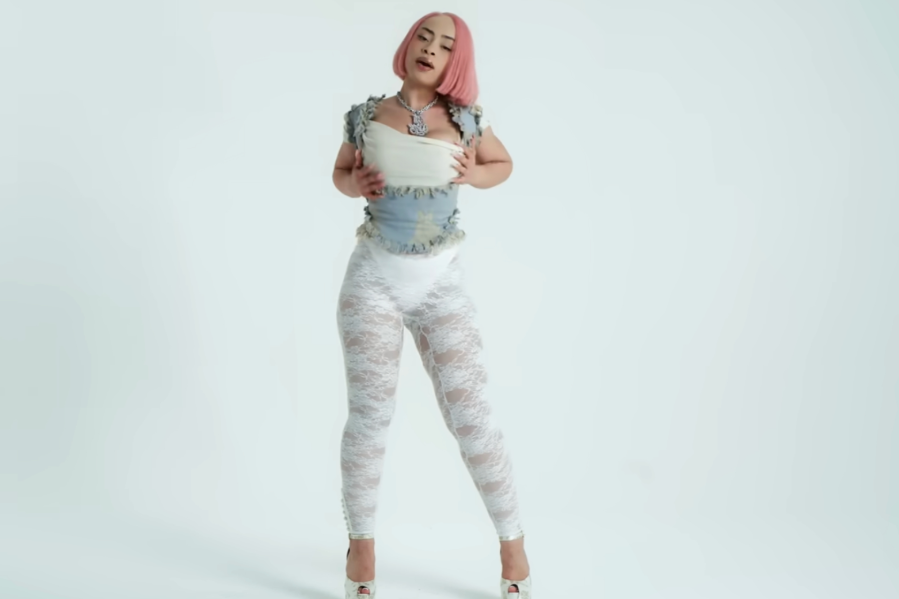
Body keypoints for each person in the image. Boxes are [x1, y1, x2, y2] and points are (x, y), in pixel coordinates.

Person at [331, 11, 532, 599]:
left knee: (472, 418)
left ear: (455, 62)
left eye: (445, 45)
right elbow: (339, 174)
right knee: (370, 417)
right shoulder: (366, 115)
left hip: (441, 282)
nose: (430, 48)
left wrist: (472, 175)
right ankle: (361, 550)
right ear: (408, 44)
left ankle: (513, 544)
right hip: (373, 279)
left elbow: (503, 164)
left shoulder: (466, 119)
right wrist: (355, 185)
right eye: (424, 36)